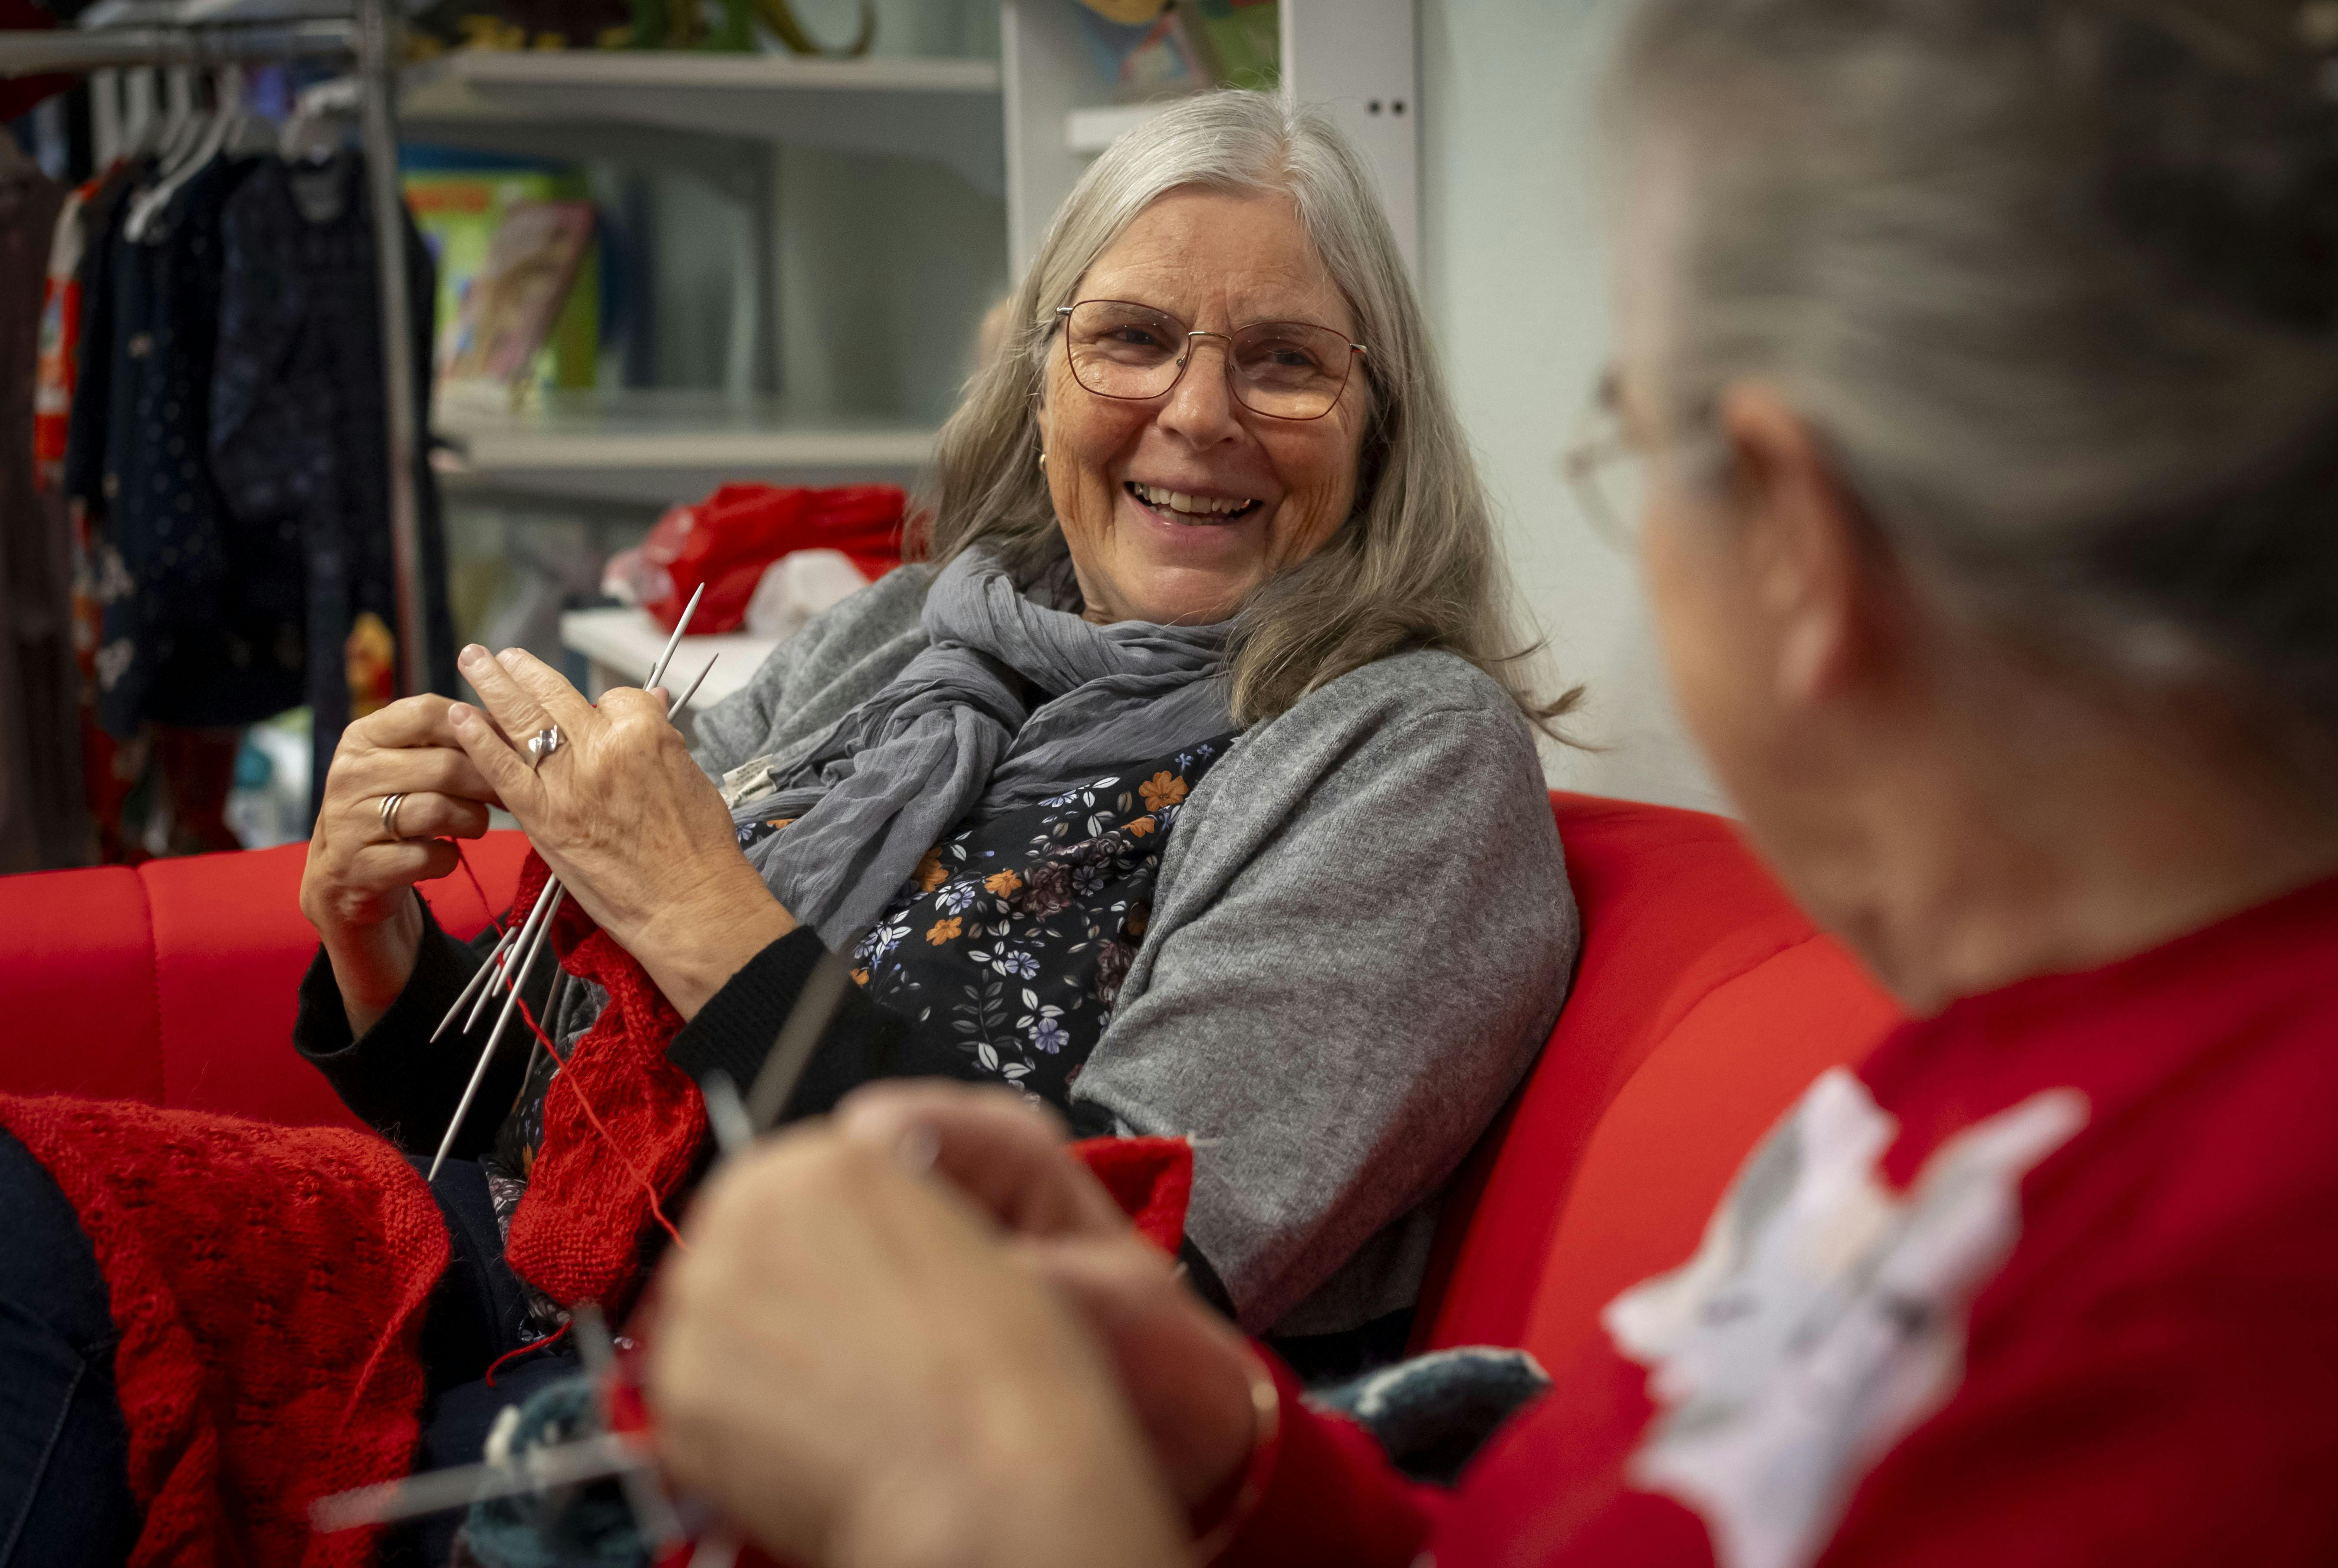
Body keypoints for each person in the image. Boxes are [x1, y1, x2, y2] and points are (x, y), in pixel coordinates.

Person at [640, 0, 2338, 1565]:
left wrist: (997, 1497)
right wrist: (1232, 1453)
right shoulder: (1984, 1081)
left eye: (1630, 435)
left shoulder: (2231, 1275)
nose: (1199, 414)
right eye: (1133, 342)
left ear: (1793, 538)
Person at [294, 87, 1575, 1366]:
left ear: (1378, 426)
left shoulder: (1404, 753)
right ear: (1040, 388)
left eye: (1285, 360)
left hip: (860, 1433)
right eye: (1131, 338)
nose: (1197, 413)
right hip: (542, 1317)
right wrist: (377, 939)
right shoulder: (907, 629)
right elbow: (539, 1106)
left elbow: (1120, 1295)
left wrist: (693, 907)